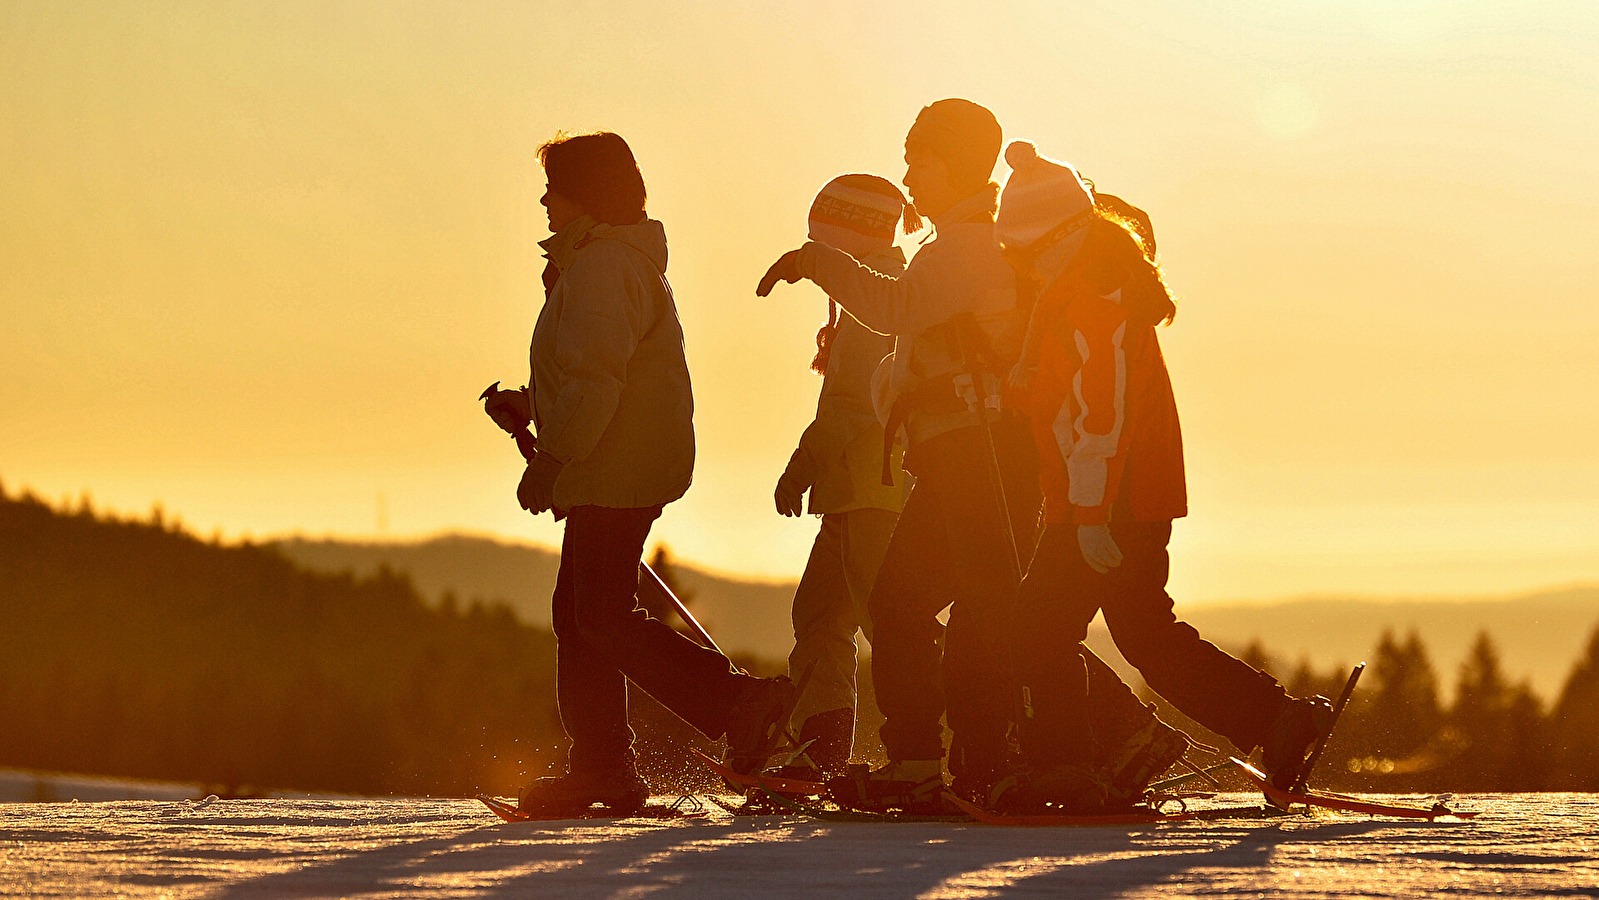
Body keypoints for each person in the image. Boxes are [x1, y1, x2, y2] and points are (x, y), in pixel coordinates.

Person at [994, 140, 1333, 812]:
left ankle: (1064, 765)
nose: (1024, 265)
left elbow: (1104, 419)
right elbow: (1069, 400)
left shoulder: (1095, 303)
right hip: (1116, 497)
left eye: (1028, 251)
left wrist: (1090, 516)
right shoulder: (1081, 293)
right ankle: (1276, 720)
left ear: (1061, 237)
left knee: (1038, 631)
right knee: (1142, 632)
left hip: (1107, 500)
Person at [483, 131, 794, 817]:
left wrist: (554, 459)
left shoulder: (603, 267)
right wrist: (533, 406)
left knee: (595, 616)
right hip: (617, 461)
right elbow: (594, 374)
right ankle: (604, 765)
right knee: (582, 617)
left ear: (586, 195)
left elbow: (597, 382)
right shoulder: (606, 263)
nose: (544, 201)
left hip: (615, 467)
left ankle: (736, 704)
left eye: (554, 188)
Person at [759, 99, 1044, 811]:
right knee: (920, 606)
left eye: (919, 162)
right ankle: (940, 759)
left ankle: (970, 758)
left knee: (964, 612)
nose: (909, 179)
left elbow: (894, 310)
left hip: (979, 455)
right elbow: (913, 336)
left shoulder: (967, 245)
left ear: (954, 165)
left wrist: (817, 261)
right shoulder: (959, 245)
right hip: (954, 456)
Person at [772, 175, 918, 781]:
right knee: (821, 612)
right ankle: (822, 741)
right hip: (857, 491)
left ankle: (943, 743)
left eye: (824, 243)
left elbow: (853, 408)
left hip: (872, 491)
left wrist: (800, 467)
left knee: (890, 623)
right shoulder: (877, 294)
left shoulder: (873, 304)